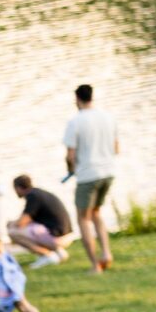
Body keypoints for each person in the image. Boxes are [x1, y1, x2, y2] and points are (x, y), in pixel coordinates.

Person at [63, 84, 119, 272]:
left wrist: (71, 170)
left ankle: (95, 265)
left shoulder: (75, 122)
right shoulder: (108, 117)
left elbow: (70, 155)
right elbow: (116, 148)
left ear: (77, 99)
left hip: (87, 175)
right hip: (108, 173)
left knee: (83, 219)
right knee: (96, 213)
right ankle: (106, 253)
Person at [9, 176, 72, 266]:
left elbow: (22, 222)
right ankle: (58, 252)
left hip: (58, 238)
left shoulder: (32, 196)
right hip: (66, 234)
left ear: (18, 188)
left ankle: (47, 256)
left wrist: (10, 224)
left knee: (13, 232)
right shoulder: (39, 193)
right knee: (29, 228)